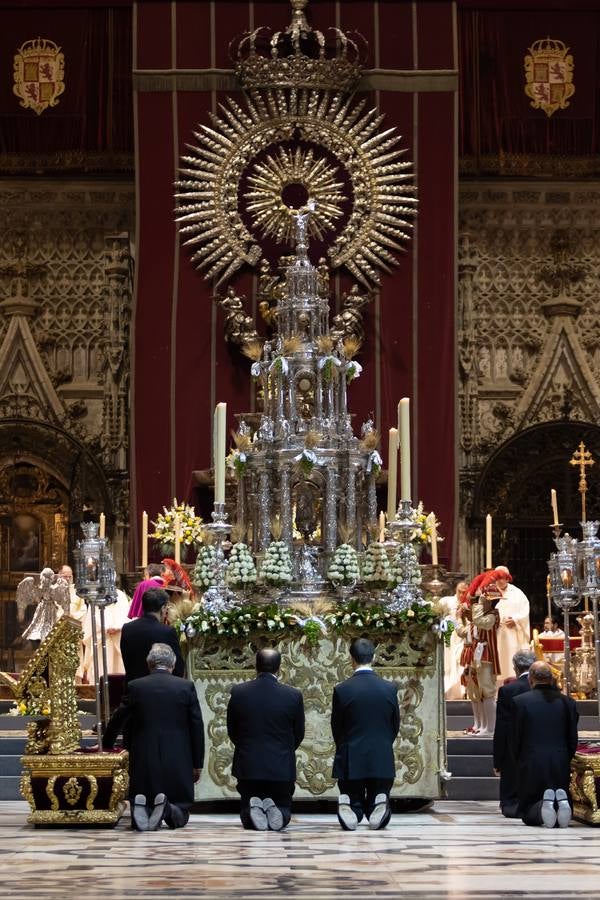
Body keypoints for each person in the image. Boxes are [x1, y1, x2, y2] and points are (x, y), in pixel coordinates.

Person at [104, 643, 204, 830]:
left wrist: (106, 745)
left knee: (142, 794)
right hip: (179, 759)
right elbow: (196, 725)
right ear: (173, 665)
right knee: (181, 815)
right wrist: (197, 763)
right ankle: (169, 809)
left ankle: (142, 807)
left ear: (148, 665)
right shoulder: (186, 687)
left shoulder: (136, 686)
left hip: (144, 757)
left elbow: (118, 719)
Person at [226, 648, 305, 831]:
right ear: (279, 668)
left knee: (247, 812)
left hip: (249, 765)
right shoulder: (293, 695)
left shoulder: (239, 692)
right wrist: (285, 750)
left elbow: (232, 730)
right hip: (280, 766)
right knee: (284, 808)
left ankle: (254, 810)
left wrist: (245, 747)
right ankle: (275, 810)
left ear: (256, 666)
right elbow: (298, 733)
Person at [331, 637, 400, 831]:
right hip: (381, 755)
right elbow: (395, 724)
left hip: (351, 755)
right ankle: (378, 803)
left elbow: (337, 726)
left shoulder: (342, 689)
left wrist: (344, 746)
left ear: (351, 659)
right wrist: (384, 743)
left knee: (352, 793)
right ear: (374, 657)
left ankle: (351, 807)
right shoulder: (389, 689)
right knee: (380, 789)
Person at [513, 660, 579, 828]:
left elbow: (515, 737)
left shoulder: (519, 702)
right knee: (558, 787)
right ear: (551, 679)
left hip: (531, 759)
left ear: (531, 679)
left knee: (528, 809)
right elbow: (572, 736)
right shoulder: (568, 702)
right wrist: (567, 755)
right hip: (559, 757)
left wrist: (517, 759)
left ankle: (542, 806)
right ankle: (560, 804)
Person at [492, 648, 536, 818]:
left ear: (516, 668)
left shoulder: (507, 691)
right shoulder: (548, 690)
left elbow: (501, 728)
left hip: (512, 747)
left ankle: (513, 805)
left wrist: (498, 759)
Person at [119, 588, 184, 684]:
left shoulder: (127, 628)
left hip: (133, 691)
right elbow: (178, 669)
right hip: (161, 690)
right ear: (163, 608)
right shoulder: (167, 631)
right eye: (167, 608)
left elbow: (127, 663)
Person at [80, 586, 131, 681]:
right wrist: (106, 627)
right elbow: (93, 616)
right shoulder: (96, 596)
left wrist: (118, 627)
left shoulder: (120, 595)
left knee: (119, 668)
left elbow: (125, 613)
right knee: (102, 667)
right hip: (102, 637)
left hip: (118, 636)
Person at [494, 565, 530, 683]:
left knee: (510, 660)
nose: (500, 580)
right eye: (497, 578)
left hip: (512, 635)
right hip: (495, 634)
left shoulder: (517, 593)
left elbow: (525, 611)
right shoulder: (489, 592)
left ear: (508, 578)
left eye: (502, 578)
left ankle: (512, 683)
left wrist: (515, 619)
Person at [439, 581, 468, 700]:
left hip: (463, 636)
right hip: (449, 636)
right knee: (449, 662)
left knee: (461, 661)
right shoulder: (447, 601)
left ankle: (463, 690)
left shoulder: (469, 604)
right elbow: (440, 617)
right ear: (456, 590)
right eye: (459, 592)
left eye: (464, 592)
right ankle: (450, 689)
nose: (461, 595)